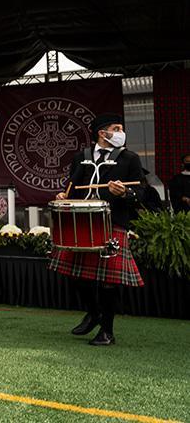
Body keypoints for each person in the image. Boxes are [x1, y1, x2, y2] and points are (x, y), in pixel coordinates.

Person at [51, 113, 144, 346]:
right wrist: (65, 195)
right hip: (82, 223)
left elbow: (142, 192)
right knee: (76, 276)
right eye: (116, 128)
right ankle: (94, 313)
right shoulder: (81, 157)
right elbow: (72, 186)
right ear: (102, 133)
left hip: (113, 222)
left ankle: (107, 331)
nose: (121, 132)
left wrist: (125, 193)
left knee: (108, 282)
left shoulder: (129, 159)